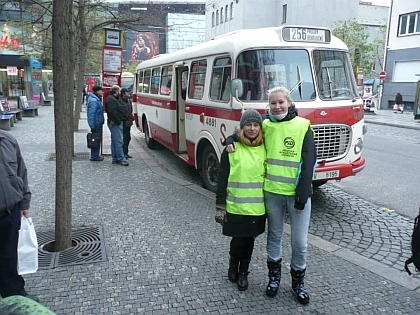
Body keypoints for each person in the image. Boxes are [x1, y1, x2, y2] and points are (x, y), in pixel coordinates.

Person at [225, 86, 316, 305]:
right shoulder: (266, 124)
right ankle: (274, 278)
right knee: (274, 238)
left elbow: (309, 162)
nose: (277, 106)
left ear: (289, 103)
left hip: (296, 197)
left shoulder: (303, 126)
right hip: (272, 193)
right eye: (273, 103)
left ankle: (298, 284)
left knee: (300, 243)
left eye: (281, 102)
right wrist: (229, 140)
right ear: (269, 106)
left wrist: (302, 196)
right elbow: (246, 128)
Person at [215, 109, 267, 292]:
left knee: (249, 240)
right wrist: (220, 205)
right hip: (236, 205)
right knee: (237, 240)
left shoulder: (266, 146)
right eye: (248, 124)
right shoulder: (232, 147)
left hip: (257, 207)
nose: (252, 128)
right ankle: (233, 264)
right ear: (242, 126)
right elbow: (222, 176)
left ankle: (244, 271)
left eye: (255, 125)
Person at [0, 130, 37, 301]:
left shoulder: (8, 140)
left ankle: (14, 293)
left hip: (10, 211)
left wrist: (24, 201)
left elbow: (21, 172)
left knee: (9, 256)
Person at [105, 85, 128, 166]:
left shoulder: (111, 98)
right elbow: (112, 112)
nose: (120, 93)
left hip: (114, 122)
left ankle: (115, 157)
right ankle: (121, 158)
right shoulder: (112, 99)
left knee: (115, 141)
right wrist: (118, 121)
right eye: (119, 91)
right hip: (115, 123)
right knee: (118, 141)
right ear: (116, 91)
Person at [87, 86, 105, 161]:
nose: (102, 92)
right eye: (101, 91)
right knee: (96, 139)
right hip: (96, 123)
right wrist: (92, 125)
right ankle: (94, 156)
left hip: (97, 122)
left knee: (96, 139)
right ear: (97, 91)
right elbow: (91, 114)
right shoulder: (94, 101)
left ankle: (95, 154)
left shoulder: (95, 99)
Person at [119, 88, 134, 159]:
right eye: (127, 92)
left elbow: (130, 111)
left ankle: (126, 152)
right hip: (123, 122)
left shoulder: (128, 101)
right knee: (123, 138)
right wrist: (123, 119)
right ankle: (123, 153)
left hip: (128, 122)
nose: (129, 94)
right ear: (123, 94)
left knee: (128, 138)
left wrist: (131, 117)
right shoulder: (119, 101)